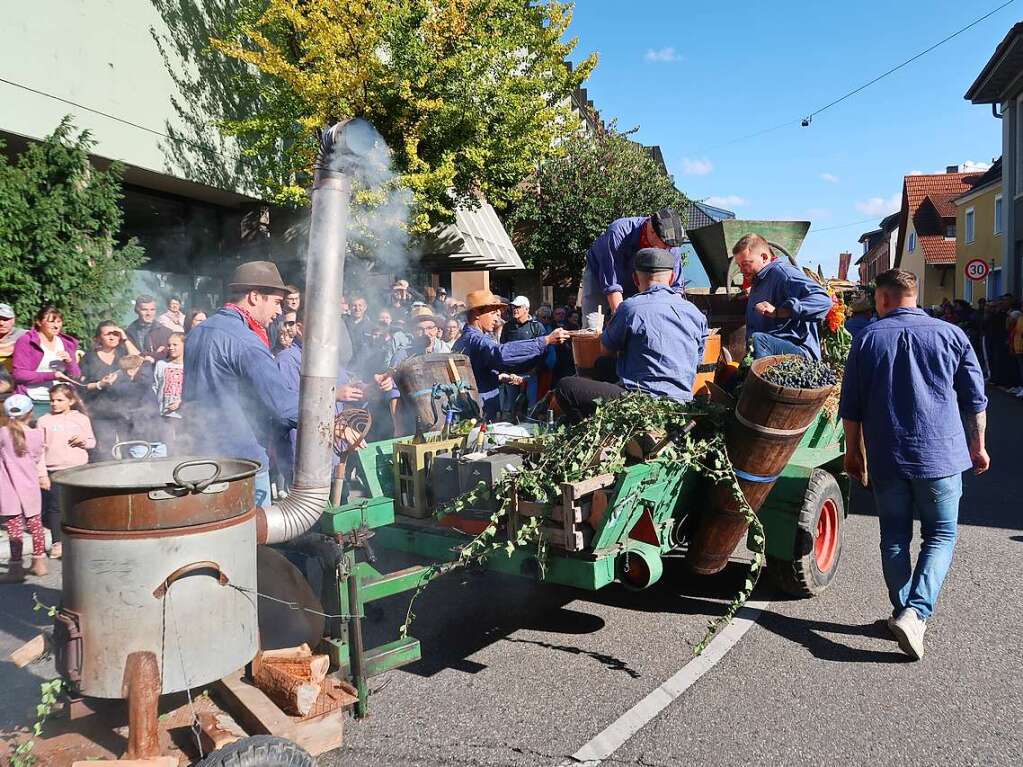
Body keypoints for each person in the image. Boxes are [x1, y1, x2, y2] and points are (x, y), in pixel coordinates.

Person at [840, 269, 988, 661]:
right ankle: (916, 612)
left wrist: (854, 452)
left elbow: (850, 404)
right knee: (940, 535)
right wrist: (979, 447)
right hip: (941, 455)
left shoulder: (867, 338)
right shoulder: (952, 335)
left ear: (883, 299)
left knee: (894, 537)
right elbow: (975, 398)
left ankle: (904, 611)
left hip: (888, 455)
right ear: (914, 295)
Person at [182, 261, 299, 507]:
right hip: (244, 464)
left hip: (201, 462)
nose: (279, 311)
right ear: (255, 297)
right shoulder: (247, 341)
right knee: (254, 542)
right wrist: (328, 415)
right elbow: (283, 407)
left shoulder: (197, 332)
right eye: (277, 302)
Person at [556, 248, 708, 423]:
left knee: (565, 387)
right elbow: (698, 361)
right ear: (672, 278)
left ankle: (587, 430)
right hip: (682, 403)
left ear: (635, 279)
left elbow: (606, 350)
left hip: (641, 401)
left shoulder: (630, 308)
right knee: (602, 365)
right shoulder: (695, 313)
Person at [453, 289, 569, 419]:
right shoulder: (477, 339)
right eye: (493, 313)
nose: (497, 318)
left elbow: (474, 374)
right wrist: (546, 340)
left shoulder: (462, 340)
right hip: (479, 410)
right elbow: (500, 353)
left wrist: (499, 377)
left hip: (476, 405)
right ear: (476, 314)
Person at [732, 233, 832, 360]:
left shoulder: (784, 273)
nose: (742, 270)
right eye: (739, 265)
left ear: (764, 257)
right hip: (773, 354)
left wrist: (781, 311)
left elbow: (823, 300)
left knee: (760, 340)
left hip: (797, 355)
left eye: (746, 264)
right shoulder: (759, 281)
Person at [582, 208, 686, 317]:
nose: (668, 249)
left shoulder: (671, 245)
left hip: (639, 281)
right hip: (600, 274)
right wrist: (620, 319)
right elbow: (611, 282)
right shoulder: (619, 233)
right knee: (593, 324)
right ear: (652, 231)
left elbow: (675, 289)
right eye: (665, 246)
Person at [38, 383, 94, 559]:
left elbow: (92, 442)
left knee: (79, 504)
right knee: (55, 507)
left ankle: (82, 539)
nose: (54, 404)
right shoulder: (44, 421)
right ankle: (57, 542)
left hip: (78, 469)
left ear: (71, 401)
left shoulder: (81, 419)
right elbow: (38, 450)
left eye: (59, 400)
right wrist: (41, 474)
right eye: (52, 400)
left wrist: (83, 441)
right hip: (55, 469)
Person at [0, 395, 49, 581]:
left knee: (14, 530)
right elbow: (37, 459)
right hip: (30, 485)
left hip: (9, 487)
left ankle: (15, 569)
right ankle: (39, 564)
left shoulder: (3, 433)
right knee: (36, 525)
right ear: (31, 412)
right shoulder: (37, 434)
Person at [79, 321, 143, 458]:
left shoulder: (123, 353)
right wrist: (100, 384)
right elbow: (82, 386)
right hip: (100, 412)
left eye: (116, 334)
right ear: (98, 338)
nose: (113, 337)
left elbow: (139, 359)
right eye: (108, 334)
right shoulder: (89, 358)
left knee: (128, 450)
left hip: (125, 412)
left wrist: (125, 337)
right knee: (104, 451)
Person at [12, 306, 82, 418]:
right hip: (35, 401)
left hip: (62, 402)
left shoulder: (66, 342)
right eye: (51, 321)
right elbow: (19, 374)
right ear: (39, 322)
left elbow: (76, 375)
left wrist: (69, 362)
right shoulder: (26, 341)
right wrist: (52, 375)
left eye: (59, 321)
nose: (56, 325)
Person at [499, 296, 547, 417]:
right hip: (511, 375)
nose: (515, 309)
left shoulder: (537, 327)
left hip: (530, 374)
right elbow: (502, 349)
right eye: (513, 307)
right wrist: (506, 372)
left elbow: (544, 352)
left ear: (526, 309)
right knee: (512, 408)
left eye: (518, 307)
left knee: (531, 408)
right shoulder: (507, 327)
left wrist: (535, 370)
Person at [153, 332, 185, 450]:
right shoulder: (161, 365)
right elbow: (155, 386)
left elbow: (194, 390)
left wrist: (181, 402)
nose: (171, 347)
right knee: (167, 447)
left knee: (183, 446)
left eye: (175, 345)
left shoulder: (190, 366)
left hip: (183, 415)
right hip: (164, 415)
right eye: (169, 345)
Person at [0, 303, 26, 373]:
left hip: (16, 380)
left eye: (5, 319)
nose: (1, 323)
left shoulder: (25, 336)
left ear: (13, 320)